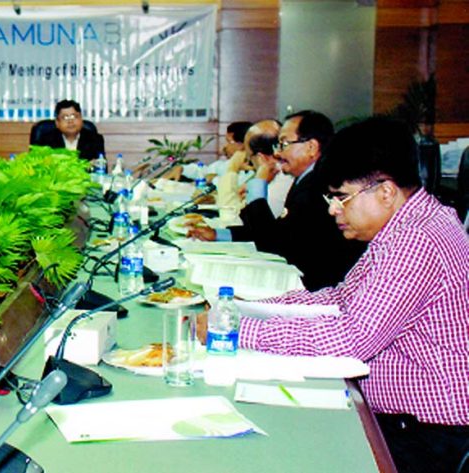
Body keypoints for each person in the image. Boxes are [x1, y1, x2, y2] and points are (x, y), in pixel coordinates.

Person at [224, 117, 469, 473]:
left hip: (429, 438)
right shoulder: (406, 227)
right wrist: (247, 309)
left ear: (385, 191)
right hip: (402, 422)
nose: (333, 209)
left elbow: (351, 338)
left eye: (342, 197)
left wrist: (236, 331)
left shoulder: (418, 240)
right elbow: (340, 299)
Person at [188, 111, 366, 291]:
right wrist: (219, 235)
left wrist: (258, 185)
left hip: (314, 288)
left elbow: (273, 241)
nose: (278, 153)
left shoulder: (320, 185)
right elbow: (280, 232)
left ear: (311, 147)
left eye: (284, 144)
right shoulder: (305, 180)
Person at [31, 99, 105, 161]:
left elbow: (101, 167)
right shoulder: (45, 141)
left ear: (81, 119)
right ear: (57, 123)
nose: (70, 121)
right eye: (65, 117)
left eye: (74, 116)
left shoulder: (95, 139)